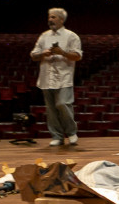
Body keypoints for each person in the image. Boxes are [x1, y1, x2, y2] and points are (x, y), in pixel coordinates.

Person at [31, 8, 83, 147]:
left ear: (61, 19)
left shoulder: (71, 36)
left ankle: (71, 132)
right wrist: (43, 54)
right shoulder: (44, 36)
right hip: (46, 78)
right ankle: (57, 136)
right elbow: (33, 55)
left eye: (53, 17)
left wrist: (62, 53)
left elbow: (77, 56)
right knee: (51, 109)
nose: (50, 20)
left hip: (63, 77)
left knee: (63, 104)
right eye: (49, 17)